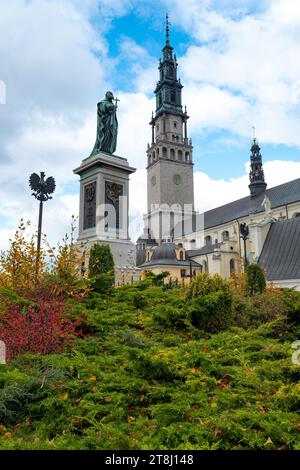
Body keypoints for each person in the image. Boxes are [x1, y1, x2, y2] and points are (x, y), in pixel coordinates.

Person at [90, 91, 118, 156]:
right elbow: (104, 108)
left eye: (112, 94)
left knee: (111, 135)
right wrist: (112, 107)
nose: (111, 95)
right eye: (110, 94)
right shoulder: (102, 103)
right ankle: (102, 148)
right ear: (106, 95)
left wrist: (113, 109)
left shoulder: (110, 103)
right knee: (105, 135)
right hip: (104, 124)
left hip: (110, 124)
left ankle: (108, 149)